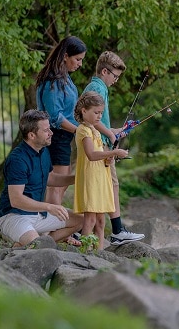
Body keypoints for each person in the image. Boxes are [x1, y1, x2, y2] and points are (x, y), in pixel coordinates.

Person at [83, 51, 144, 245]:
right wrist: (110, 135)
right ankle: (117, 230)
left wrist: (115, 130)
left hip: (101, 142)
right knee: (112, 185)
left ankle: (112, 230)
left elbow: (98, 120)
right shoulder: (97, 87)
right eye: (115, 76)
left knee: (111, 185)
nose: (116, 80)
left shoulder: (99, 87)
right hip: (98, 146)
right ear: (104, 71)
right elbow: (91, 118)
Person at [0, 109, 83, 247]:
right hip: (14, 216)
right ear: (31, 135)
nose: (51, 133)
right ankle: (28, 243)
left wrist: (77, 179)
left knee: (80, 220)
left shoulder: (43, 151)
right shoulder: (17, 160)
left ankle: (32, 242)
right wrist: (49, 207)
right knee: (39, 247)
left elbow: (51, 178)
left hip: (38, 214)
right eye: (46, 130)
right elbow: (16, 200)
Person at [73, 91, 129, 250]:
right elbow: (90, 155)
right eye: (96, 112)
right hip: (91, 180)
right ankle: (84, 252)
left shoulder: (95, 130)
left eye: (101, 113)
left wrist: (108, 159)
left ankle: (99, 254)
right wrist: (114, 153)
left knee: (101, 221)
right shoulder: (83, 130)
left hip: (100, 179)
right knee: (90, 219)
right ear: (84, 111)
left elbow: (99, 155)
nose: (99, 116)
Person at [35, 36, 86, 207]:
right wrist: (77, 130)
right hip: (56, 136)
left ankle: (55, 229)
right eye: (77, 59)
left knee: (62, 185)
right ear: (65, 55)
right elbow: (55, 116)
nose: (80, 64)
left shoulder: (65, 78)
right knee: (56, 187)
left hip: (64, 137)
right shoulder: (54, 81)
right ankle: (53, 231)